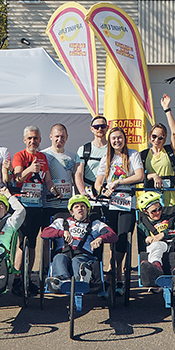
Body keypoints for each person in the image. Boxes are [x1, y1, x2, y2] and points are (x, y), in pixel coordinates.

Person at [94, 125, 144, 292]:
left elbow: (139, 175)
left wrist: (118, 182)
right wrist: (101, 189)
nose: (117, 140)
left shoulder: (133, 154)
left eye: (119, 137)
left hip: (127, 202)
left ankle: (118, 272)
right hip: (110, 203)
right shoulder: (106, 158)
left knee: (122, 238)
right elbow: (99, 180)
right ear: (109, 140)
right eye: (114, 138)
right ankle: (111, 271)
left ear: (124, 139)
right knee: (110, 238)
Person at [44, 195, 115, 305]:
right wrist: (62, 232)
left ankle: (82, 281)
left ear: (87, 210)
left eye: (83, 206)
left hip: (84, 255)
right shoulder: (61, 222)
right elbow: (45, 233)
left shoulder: (96, 224)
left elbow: (113, 235)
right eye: (76, 206)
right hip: (64, 253)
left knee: (77, 261)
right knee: (59, 258)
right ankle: (62, 281)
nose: (80, 208)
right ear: (72, 212)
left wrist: (100, 238)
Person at [11, 125, 52, 291]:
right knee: (22, 243)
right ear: (24, 140)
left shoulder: (43, 156)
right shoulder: (19, 155)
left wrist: (54, 190)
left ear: (40, 140)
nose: (32, 141)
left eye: (35, 138)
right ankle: (17, 278)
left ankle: (28, 276)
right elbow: (17, 176)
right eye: (29, 138)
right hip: (23, 205)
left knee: (33, 243)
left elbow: (47, 180)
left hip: (38, 204)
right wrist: (30, 168)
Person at [41, 123, 80, 291]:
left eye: (63, 136)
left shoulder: (72, 156)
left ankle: (67, 271)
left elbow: (76, 180)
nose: (59, 139)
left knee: (67, 240)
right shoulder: (43, 154)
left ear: (67, 137)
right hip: (47, 204)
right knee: (46, 241)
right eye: (56, 136)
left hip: (66, 206)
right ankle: (44, 275)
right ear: (50, 136)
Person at [136, 194, 175, 291]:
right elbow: (142, 245)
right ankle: (155, 266)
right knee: (156, 245)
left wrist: (163, 234)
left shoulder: (173, 218)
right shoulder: (143, 226)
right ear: (145, 212)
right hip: (159, 245)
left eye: (159, 209)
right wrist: (147, 239)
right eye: (153, 211)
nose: (158, 212)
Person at [144, 103, 175, 210]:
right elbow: (139, 176)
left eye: (160, 137)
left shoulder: (169, 151)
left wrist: (167, 109)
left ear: (164, 139)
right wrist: (153, 176)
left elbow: (174, 132)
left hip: (171, 197)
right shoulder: (144, 154)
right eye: (154, 136)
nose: (156, 140)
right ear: (150, 136)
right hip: (152, 199)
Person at [75, 115, 111, 205]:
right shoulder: (84, 149)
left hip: (109, 193)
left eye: (103, 126)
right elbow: (78, 173)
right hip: (90, 194)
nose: (100, 129)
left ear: (107, 127)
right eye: (96, 127)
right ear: (91, 129)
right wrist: (82, 192)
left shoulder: (113, 148)